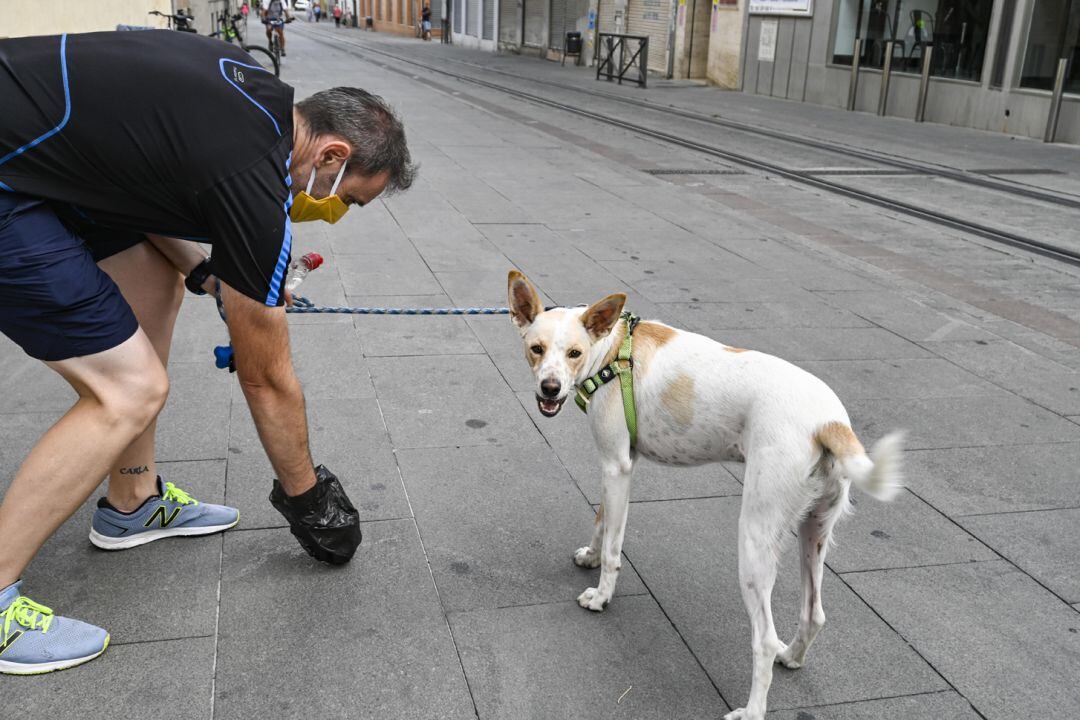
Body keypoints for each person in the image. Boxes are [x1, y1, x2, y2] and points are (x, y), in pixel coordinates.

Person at [0, 30, 415, 675]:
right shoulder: (256, 179)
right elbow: (266, 380)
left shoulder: (252, 94)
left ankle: (131, 506)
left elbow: (145, 177)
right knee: (129, 388)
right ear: (331, 153)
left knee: (152, 279)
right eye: (347, 198)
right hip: (10, 184)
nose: (334, 210)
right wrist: (309, 499)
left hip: (40, 161)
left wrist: (204, 273)